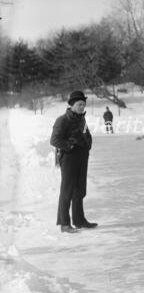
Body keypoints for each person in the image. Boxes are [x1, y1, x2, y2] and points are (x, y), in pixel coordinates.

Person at [50, 90, 98, 233]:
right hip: (69, 158)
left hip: (82, 157)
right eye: (79, 104)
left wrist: (88, 145)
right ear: (72, 105)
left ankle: (79, 220)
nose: (82, 107)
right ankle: (64, 224)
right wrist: (70, 146)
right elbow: (54, 140)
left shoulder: (82, 120)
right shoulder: (63, 120)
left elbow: (87, 135)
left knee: (80, 190)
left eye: (83, 104)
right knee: (67, 191)